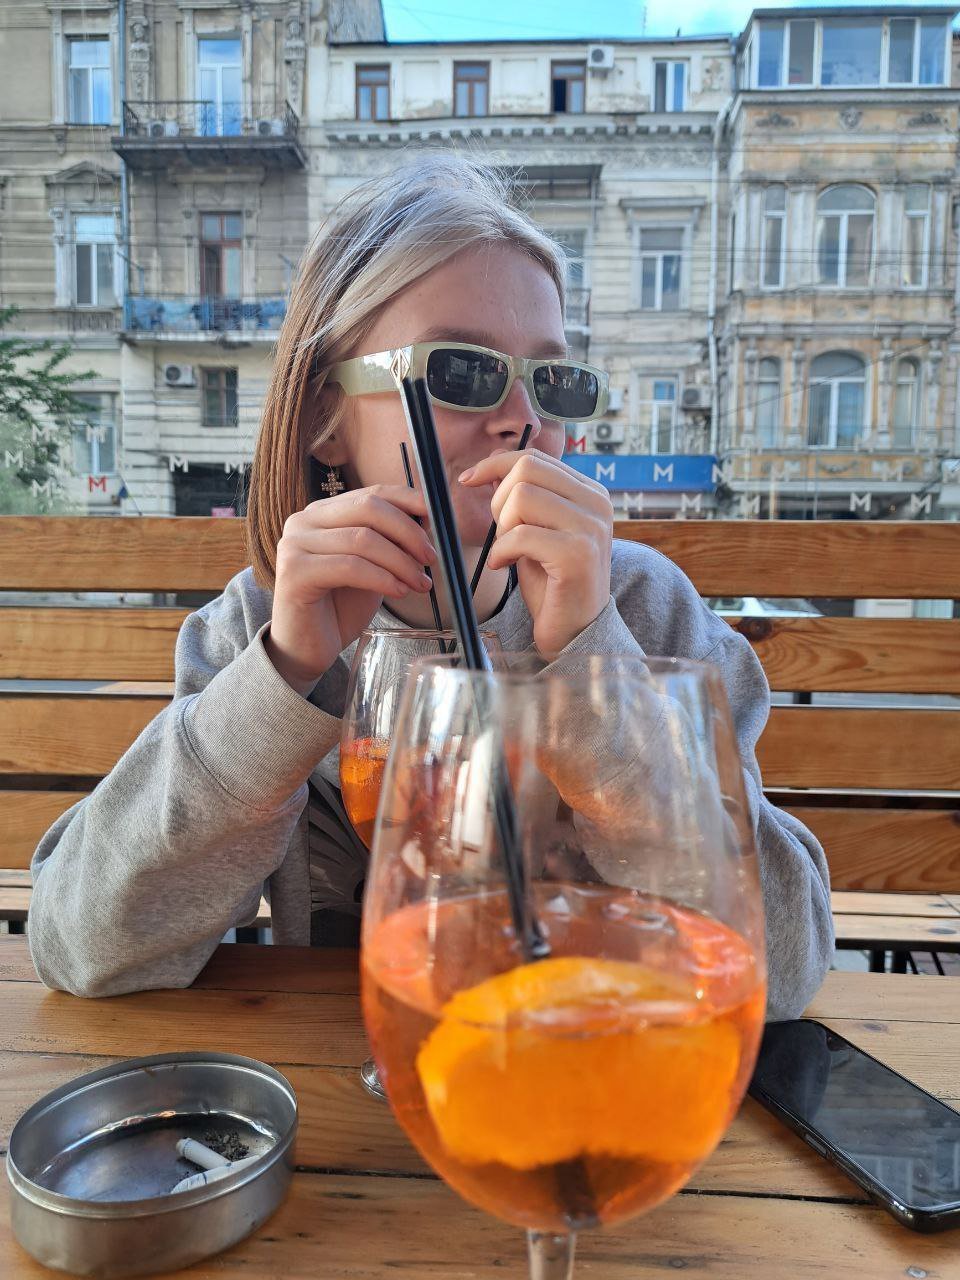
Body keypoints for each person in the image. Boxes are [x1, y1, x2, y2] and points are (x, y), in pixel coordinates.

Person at [28, 155, 833, 1017]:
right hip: (348, 1065)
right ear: (324, 418)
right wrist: (282, 678)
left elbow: (784, 968)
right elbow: (81, 946)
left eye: (551, 381)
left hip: (597, 1054)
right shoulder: (255, 630)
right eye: (462, 371)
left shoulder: (644, 610)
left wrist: (596, 665)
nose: (522, 420)